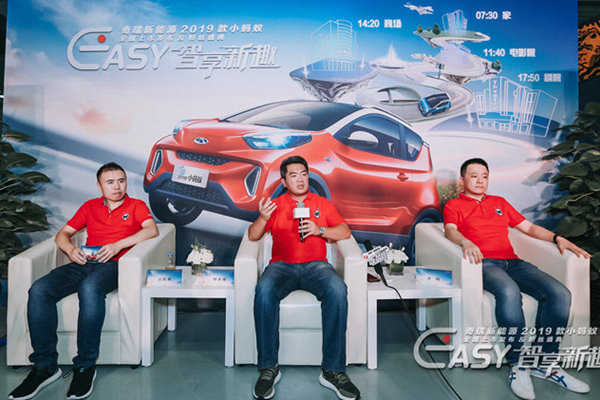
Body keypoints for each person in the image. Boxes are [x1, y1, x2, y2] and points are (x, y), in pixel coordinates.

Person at [443, 158, 591, 400]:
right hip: (484, 263)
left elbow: (529, 228)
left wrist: (557, 238)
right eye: (474, 176)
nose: (480, 181)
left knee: (559, 294)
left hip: (513, 262)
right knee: (509, 291)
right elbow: (450, 230)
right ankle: (518, 364)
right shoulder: (454, 205)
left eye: (484, 176)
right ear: (462, 180)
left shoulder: (499, 203)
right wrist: (466, 242)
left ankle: (544, 363)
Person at [9, 162, 158, 400]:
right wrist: (70, 250)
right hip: (83, 262)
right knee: (39, 290)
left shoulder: (136, 205)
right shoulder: (90, 206)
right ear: (100, 186)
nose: (117, 186)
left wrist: (117, 245)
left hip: (113, 265)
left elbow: (151, 230)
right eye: (110, 182)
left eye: (121, 181)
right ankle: (45, 366)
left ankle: (85, 366)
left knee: (89, 289)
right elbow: (63, 234)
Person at [248, 155, 360, 400]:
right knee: (264, 291)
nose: (300, 179)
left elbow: (344, 230)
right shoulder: (275, 205)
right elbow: (253, 235)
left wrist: (321, 230)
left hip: (316, 267)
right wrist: (263, 218)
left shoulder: (322, 204)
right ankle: (268, 368)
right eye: (293, 175)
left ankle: (333, 370)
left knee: (337, 289)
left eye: (304, 174)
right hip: (281, 267)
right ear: (284, 181)